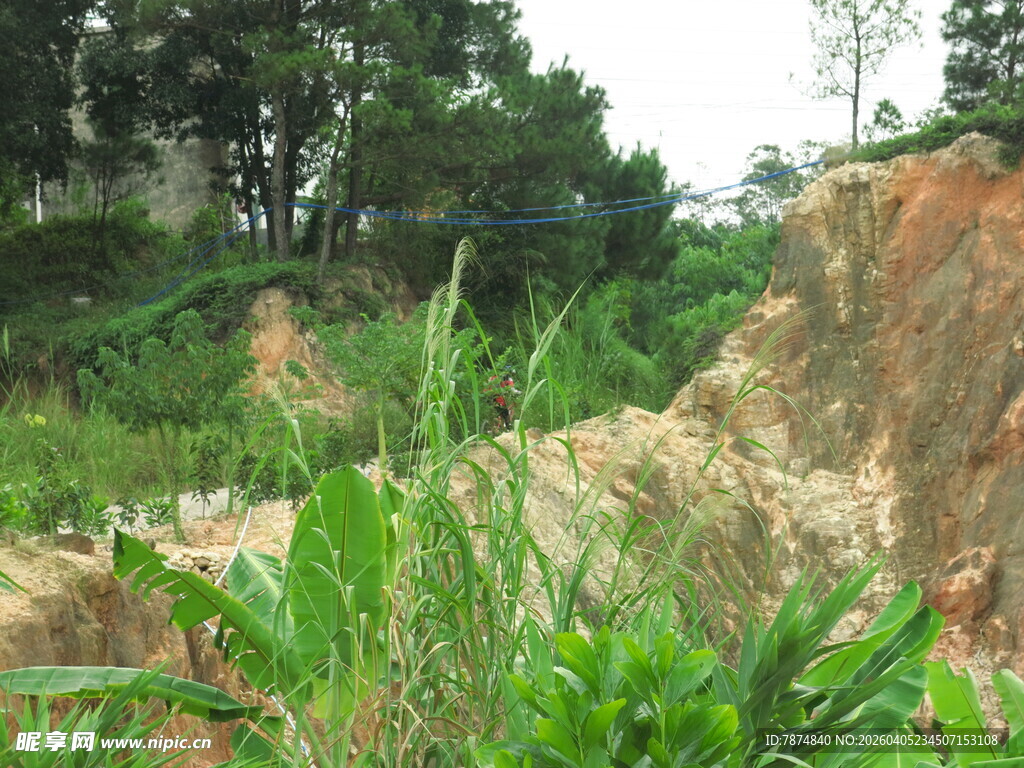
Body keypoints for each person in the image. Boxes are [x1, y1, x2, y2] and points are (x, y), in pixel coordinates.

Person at [487, 366, 519, 431]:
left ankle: (495, 422)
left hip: (488, 396)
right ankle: (508, 428)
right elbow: (512, 389)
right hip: (498, 398)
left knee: (496, 410)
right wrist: (519, 393)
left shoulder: (492, 377)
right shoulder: (507, 379)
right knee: (505, 412)